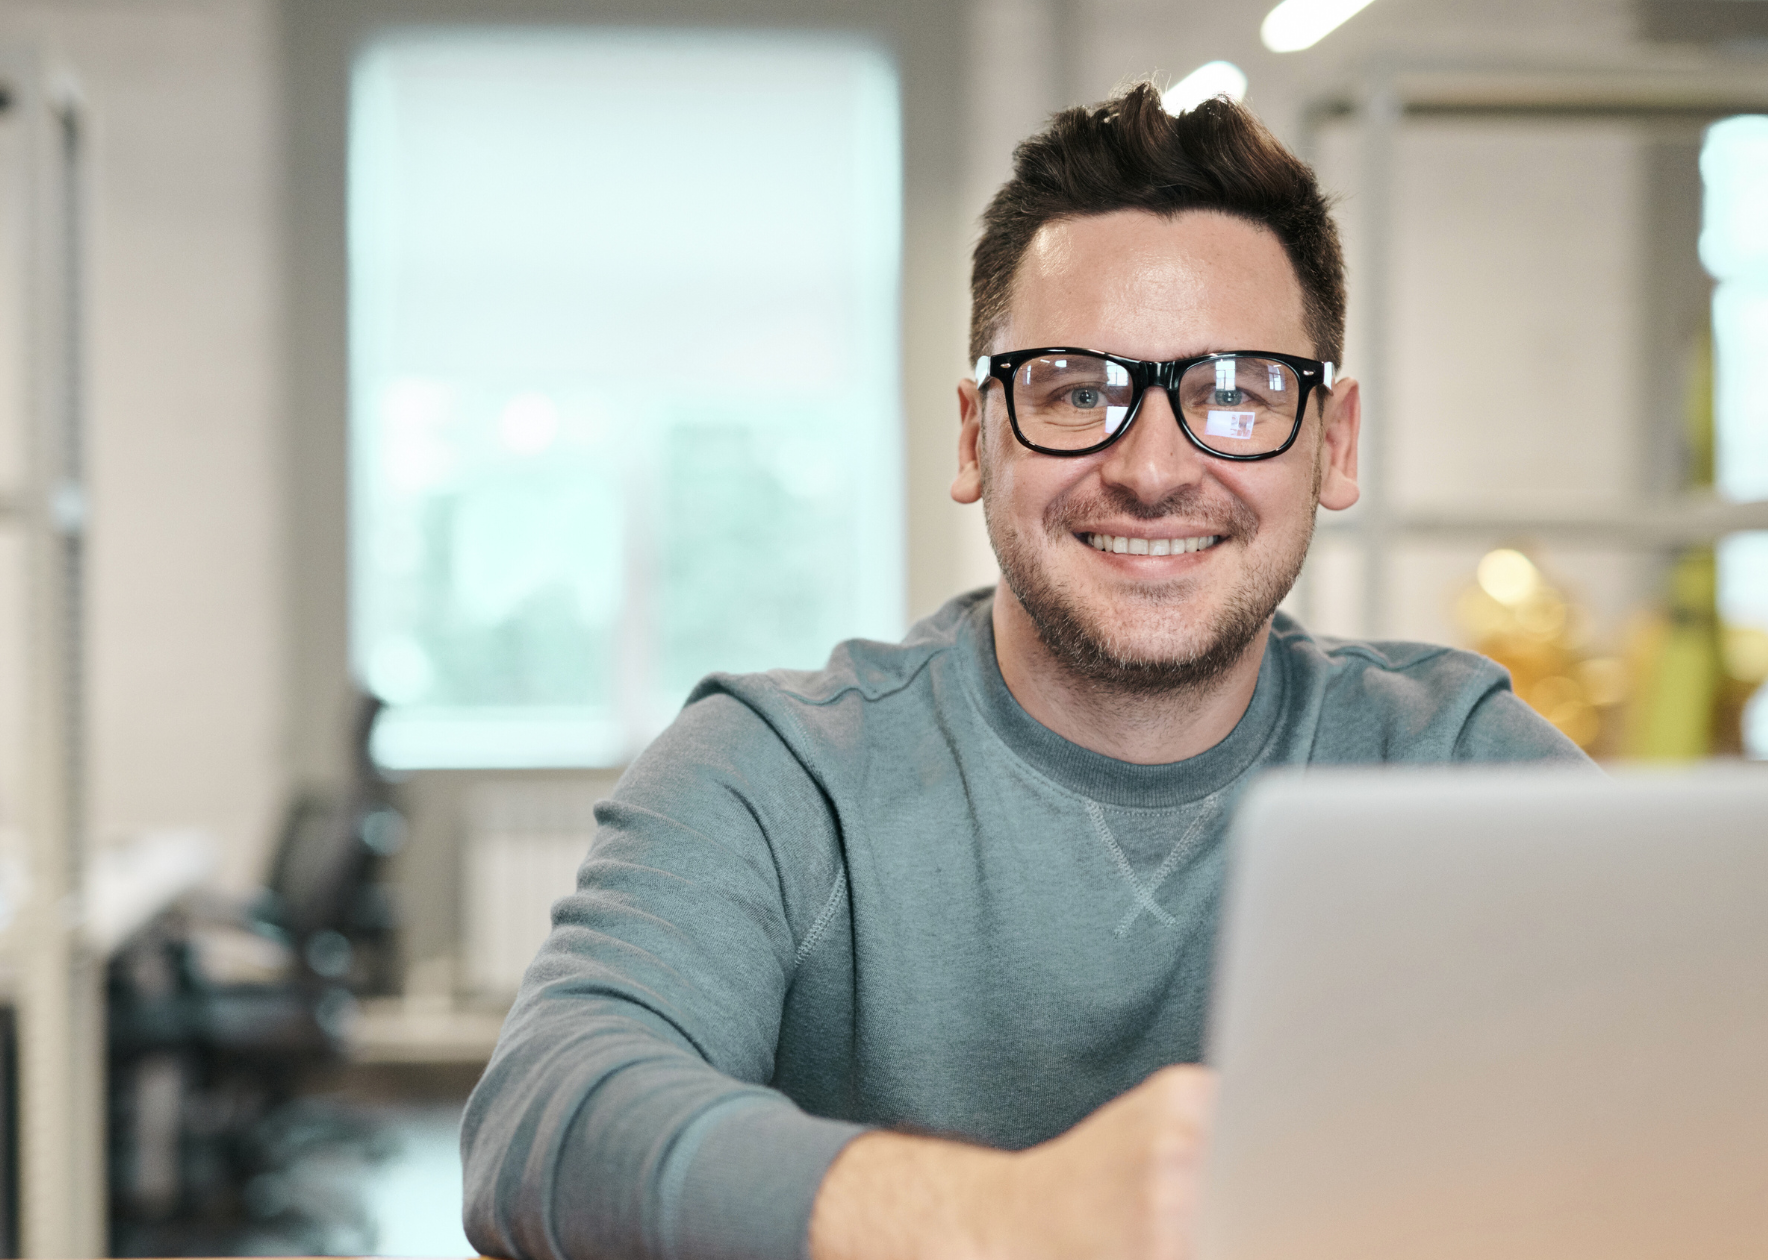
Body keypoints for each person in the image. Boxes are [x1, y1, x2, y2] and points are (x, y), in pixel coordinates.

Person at [461, 82, 1590, 1260]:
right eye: (1076, 392)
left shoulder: (1460, 768)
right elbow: (545, 1126)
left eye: (1236, 395)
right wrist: (1004, 1217)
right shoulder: (777, 774)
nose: (1153, 469)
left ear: (1334, 440)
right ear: (972, 436)